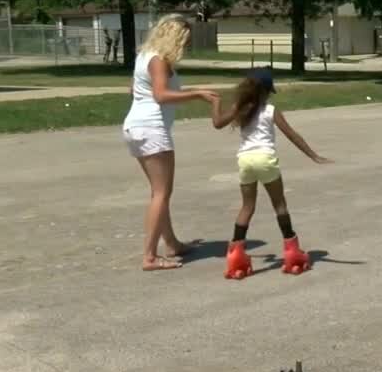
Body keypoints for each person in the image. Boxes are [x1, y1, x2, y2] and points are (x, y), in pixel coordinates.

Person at [211, 67, 332, 280]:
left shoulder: (240, 108)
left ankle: (235, 254)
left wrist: (215, 103)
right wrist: (313, 155)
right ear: (266, 92)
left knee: (247, 206)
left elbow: (217, 123)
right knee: (279, 205)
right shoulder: (270, 110)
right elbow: (292, 135)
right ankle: (292, 252)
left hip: (245, 160)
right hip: (265, 160)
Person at [122, 14, 218, 271]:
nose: (186, 46)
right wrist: (196, 94)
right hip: (151, 129)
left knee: (158, 192)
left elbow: (133, 89)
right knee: (162, 193)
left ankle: (172, 243)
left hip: (136, 127)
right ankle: (150, 256)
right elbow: (161, 95)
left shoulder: (144, 57)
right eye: (185, 40)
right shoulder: (159, 60)